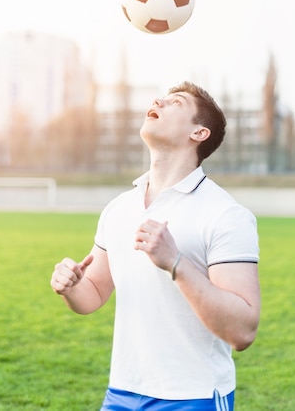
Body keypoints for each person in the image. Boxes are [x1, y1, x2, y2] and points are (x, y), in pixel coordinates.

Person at [50, 81, 260, 411]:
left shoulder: (226, 215)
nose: (158, 101)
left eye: (174, 102)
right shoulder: (119, 208)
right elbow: (93, 293)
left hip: (194, 396)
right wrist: (73, 287)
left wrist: (175, 262)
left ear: (199, 133)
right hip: (121, 393)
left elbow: (243, 331)